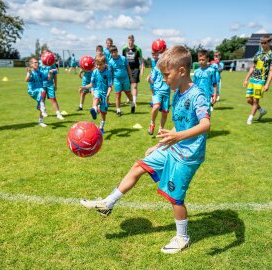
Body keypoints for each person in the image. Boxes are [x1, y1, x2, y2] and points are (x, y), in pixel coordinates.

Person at [80, 45, 211, 254]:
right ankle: (107, 204)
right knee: (138, 166)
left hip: (188, 155)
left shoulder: (198, 95)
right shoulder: (177, 93)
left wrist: (177, 137)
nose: (165, 79)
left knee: (175, 198)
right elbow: (182, 124)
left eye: (167, 75)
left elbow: (205, 125)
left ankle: (182, 237)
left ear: (182, 71)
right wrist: (161, 143)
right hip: (174, 147)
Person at [242, 35, 272, 125]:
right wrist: (246, 79)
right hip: (252, 80)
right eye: (262, 43)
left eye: (265, 43)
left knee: (256, 101)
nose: (263, 44)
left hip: (260, 82)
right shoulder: (258, 53)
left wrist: (267, 84)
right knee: (249, 100)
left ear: (269, 42)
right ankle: (261, 110)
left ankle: (250, 118)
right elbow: (252, 67)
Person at [79, 55, 112, 134]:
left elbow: (110, 86)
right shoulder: (94, 72)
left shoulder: (108, 73)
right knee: (96, 98)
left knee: (103, 114)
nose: (98, 66)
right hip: (97, 90)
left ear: (104, 64)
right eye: (97, 64)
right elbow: (91, 84)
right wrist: (83, 87)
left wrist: (107, 95)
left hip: (104, 93)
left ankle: (101, 127)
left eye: (100, 64)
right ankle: (94, 109)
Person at [147, 51, 170, 135]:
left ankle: (161, 129)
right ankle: (152, 123)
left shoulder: (170, 68)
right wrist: (149, 80)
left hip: (166, 92)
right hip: (157, 91)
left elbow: (172, 79)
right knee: (156, 106)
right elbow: (152, 81)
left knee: (164, 113)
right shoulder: (156, 68)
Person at [108, 45, 135, 116]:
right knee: (118, 95)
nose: (113, 53)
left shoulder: (123, 58)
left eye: (114, 51)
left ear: (117, 51)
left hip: (125, 79)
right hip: (117, 81)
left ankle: (132, 105)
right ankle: (118, 111)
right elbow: (110, 73)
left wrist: (131, 77)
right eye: (112, 52)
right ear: (110, 53)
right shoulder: (110, 62)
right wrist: (110, 83)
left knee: (128, 93)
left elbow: (128, 68)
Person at [40, 50, 64, 120]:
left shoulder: (52, 63)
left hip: (50, 84)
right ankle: (43, 111)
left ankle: (58, 114)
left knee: (53, 99)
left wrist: (56, 85)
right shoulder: (39, 64)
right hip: (42, 84)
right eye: (44, 53)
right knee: (42, 99)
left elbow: (55, 75)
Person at [122, 34, 145, 106]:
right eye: (129, 40)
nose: (130, 41)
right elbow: (122, 59)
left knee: (134, 85)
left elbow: (141, 59)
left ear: (133, 40)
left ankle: (134, 101)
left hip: (135, 69)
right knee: (127, 85)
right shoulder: (124, 48)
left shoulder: (138, 49)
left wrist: (142, 68)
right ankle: (128, 99)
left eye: (132, 40)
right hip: (126, 69)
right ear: (128, 40)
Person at [25, 58, 48, 127]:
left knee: (42, 103)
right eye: (35, 62)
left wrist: (50, 73)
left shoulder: (39, 72)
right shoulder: (31, 72)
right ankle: (42, 108)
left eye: (37, 62)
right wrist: (29, 73)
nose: (37, 64)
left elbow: (47, 78)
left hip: (40, 92)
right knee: (43, 91)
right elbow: (26, 80)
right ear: (31, 64)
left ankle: (41, 121)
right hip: (33, 91)